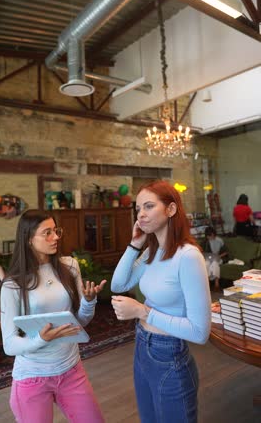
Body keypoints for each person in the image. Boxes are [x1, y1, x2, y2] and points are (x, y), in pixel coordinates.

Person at [111, 180, 211, 423]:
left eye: (148, 206)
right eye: (137, 209)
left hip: (169, 355)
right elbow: (118, 285)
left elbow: (200, 333)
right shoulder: (151, 251)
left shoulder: (188, 256)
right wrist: (135, 244)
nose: (141, 214)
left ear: (171, 210)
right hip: (142, 347)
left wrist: (143, 312)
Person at [0, 210, 106, 423]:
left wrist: (89, 301)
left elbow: (78, 324)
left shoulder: (70, 266)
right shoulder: (12, 285)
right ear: (29, 239)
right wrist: (41, 339)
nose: (55, 237)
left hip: (71, 370)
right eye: (47, 233)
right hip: (32, 377)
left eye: (56, 231)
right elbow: (9, 345)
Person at [202, 226, 228, 291]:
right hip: (208, 258)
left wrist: (219, 256)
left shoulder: (220, 240)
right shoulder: (205, 242)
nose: (211, 237)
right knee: (206, 263)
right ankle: (207, 283)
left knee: (215, 263)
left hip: (219, 258)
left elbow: (226, 252)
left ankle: (217, 284)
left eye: (212, 236)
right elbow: (202, 252)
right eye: (209, 236)